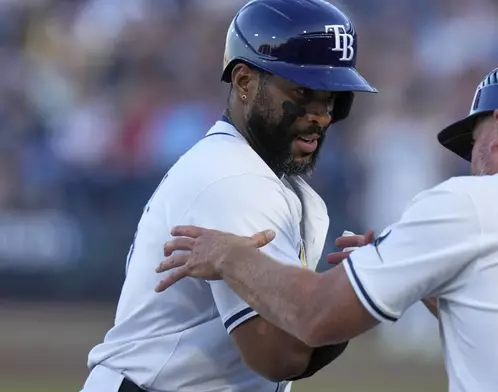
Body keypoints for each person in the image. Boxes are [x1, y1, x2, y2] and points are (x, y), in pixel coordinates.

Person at [156, 58, 498, 391]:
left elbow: (315, 316)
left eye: (471, 142)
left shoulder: (474, 202)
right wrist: (420, 279)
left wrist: (230, 254)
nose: (471, 160)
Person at [80, 0, 377, 391]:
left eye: (332, 97)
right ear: (243, 82)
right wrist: (366, 291)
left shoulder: (265, 179)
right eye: (304, 91)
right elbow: (278, 355)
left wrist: (355, 290)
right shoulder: (236, 179)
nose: (320, 114)